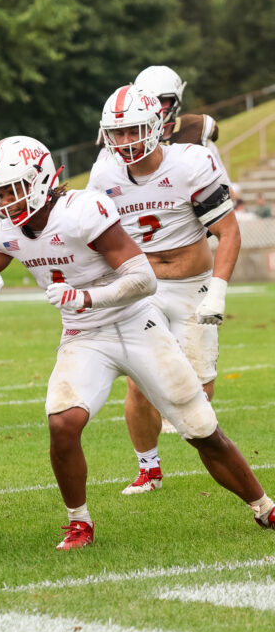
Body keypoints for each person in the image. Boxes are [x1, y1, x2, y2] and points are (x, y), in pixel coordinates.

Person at [0, 134, 275, 550]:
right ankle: (79, 523)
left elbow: (143, 280)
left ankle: (264, 506)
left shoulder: (81, 212)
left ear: (39, 181)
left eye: (11, 190)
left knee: (202, 431)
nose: (4, 202)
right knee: (62, 422)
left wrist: (85, 296)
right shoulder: (6, 228)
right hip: (83, 335)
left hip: (134, 323)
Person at [87, 85, 241, 495]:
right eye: (116, 133)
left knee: (197, 392)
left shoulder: (191, 163)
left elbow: (228, 232)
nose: (125, 141)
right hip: (143, 289)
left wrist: (218, 290)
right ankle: (148, 468)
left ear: (155, 126)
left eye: (133, 130)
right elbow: (97, 237)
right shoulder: (104, 174)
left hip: (192, 287)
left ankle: (220, 459)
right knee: (139, 381)